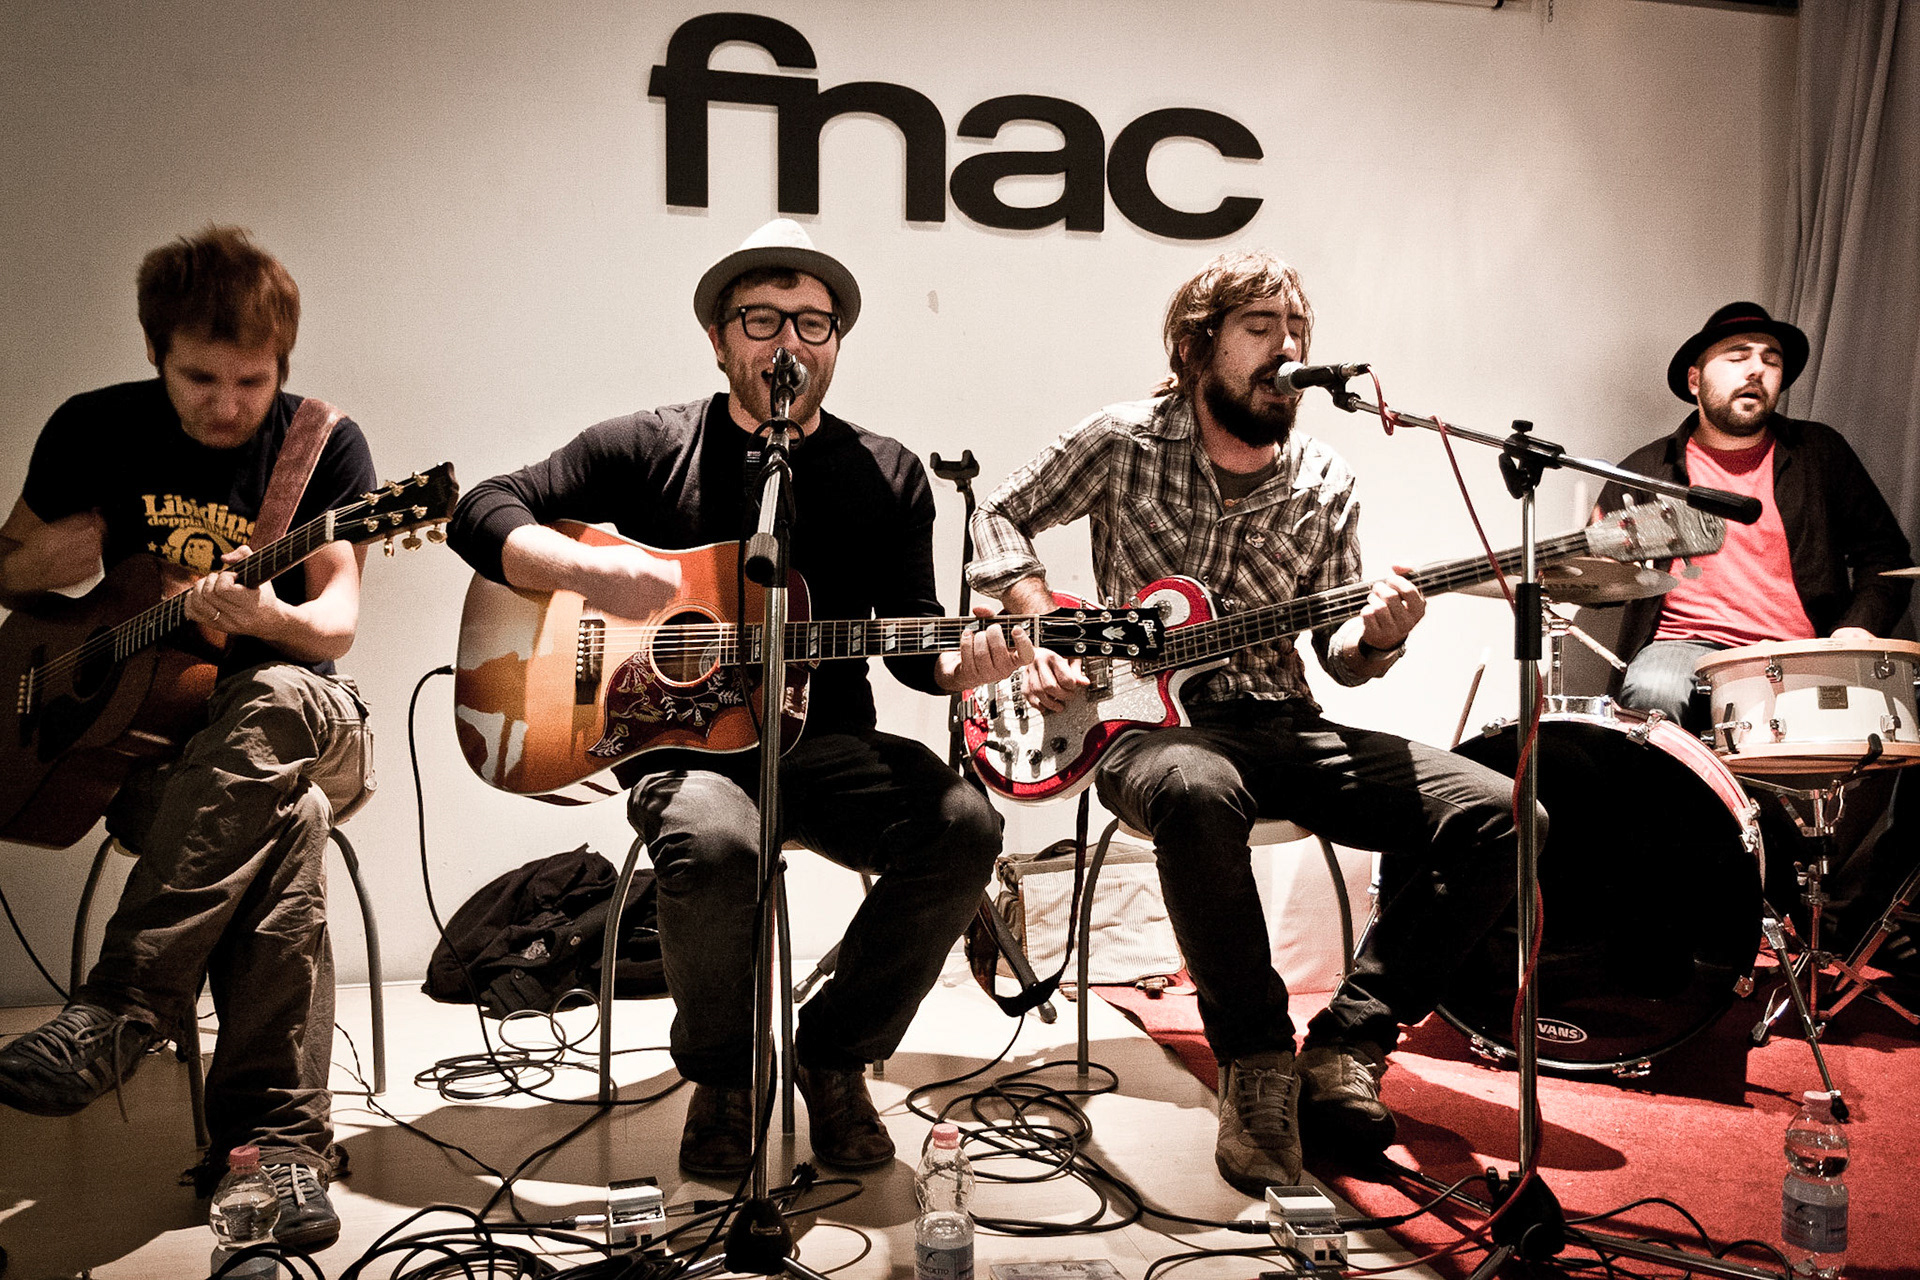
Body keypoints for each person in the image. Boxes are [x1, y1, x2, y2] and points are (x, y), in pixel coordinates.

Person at [446, 219, 1027, 1176]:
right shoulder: (645, 447)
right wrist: (592, 577)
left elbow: (917, 642)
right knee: (717, 843)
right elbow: (481, 509)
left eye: (813, 323)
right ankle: (722, 1074)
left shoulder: (886, 474)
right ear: (719, 341)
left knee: (964, 825)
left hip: (829, 747)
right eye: (761, 319)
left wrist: (969, 663)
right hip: (681, 754)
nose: (788, 341)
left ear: (836, 344)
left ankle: (833, 1052)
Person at [967, 249, 1532, 1194]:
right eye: (1261, 329)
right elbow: (997, 517)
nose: (1288, 350)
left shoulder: (1325, 479)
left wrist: (1378, 637)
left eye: (1298, 330)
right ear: (1199, 347)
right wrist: (1041, 627)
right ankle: (1257, 1059)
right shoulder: (1123, 439)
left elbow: (1337, 657)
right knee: (1196, 785)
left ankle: (1349, 1045)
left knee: (1505, 813)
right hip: (1142, 728)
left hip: (1282, 720)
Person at [0, 227, 377, 1250]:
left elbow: (337, 624)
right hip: (161, 753)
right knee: (288, 821)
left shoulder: (322, 445)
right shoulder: (92, 428)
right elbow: (10, 567)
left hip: (311, 716)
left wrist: (267, 617)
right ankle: (274, 1152)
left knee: (275, 703)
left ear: (282, 362)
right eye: (199, 379)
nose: (227, 404)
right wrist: (47, 562)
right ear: (154, 353)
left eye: (252, 381)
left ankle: (121, 1008)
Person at [1597, 301, 1913, 935]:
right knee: (1651, 690)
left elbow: (1886, 557)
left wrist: (1856, 627)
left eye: (1770, 360)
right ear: (1695, 379)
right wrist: (1596, 554)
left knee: (1900, 735)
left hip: (1802, 649)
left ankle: (1854, 918)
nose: (1757, 370)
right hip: (1688, 645)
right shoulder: (1646, 469)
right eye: (1737, 356)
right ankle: (1675, 911)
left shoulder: (1819, 452)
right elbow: (1599, 576)